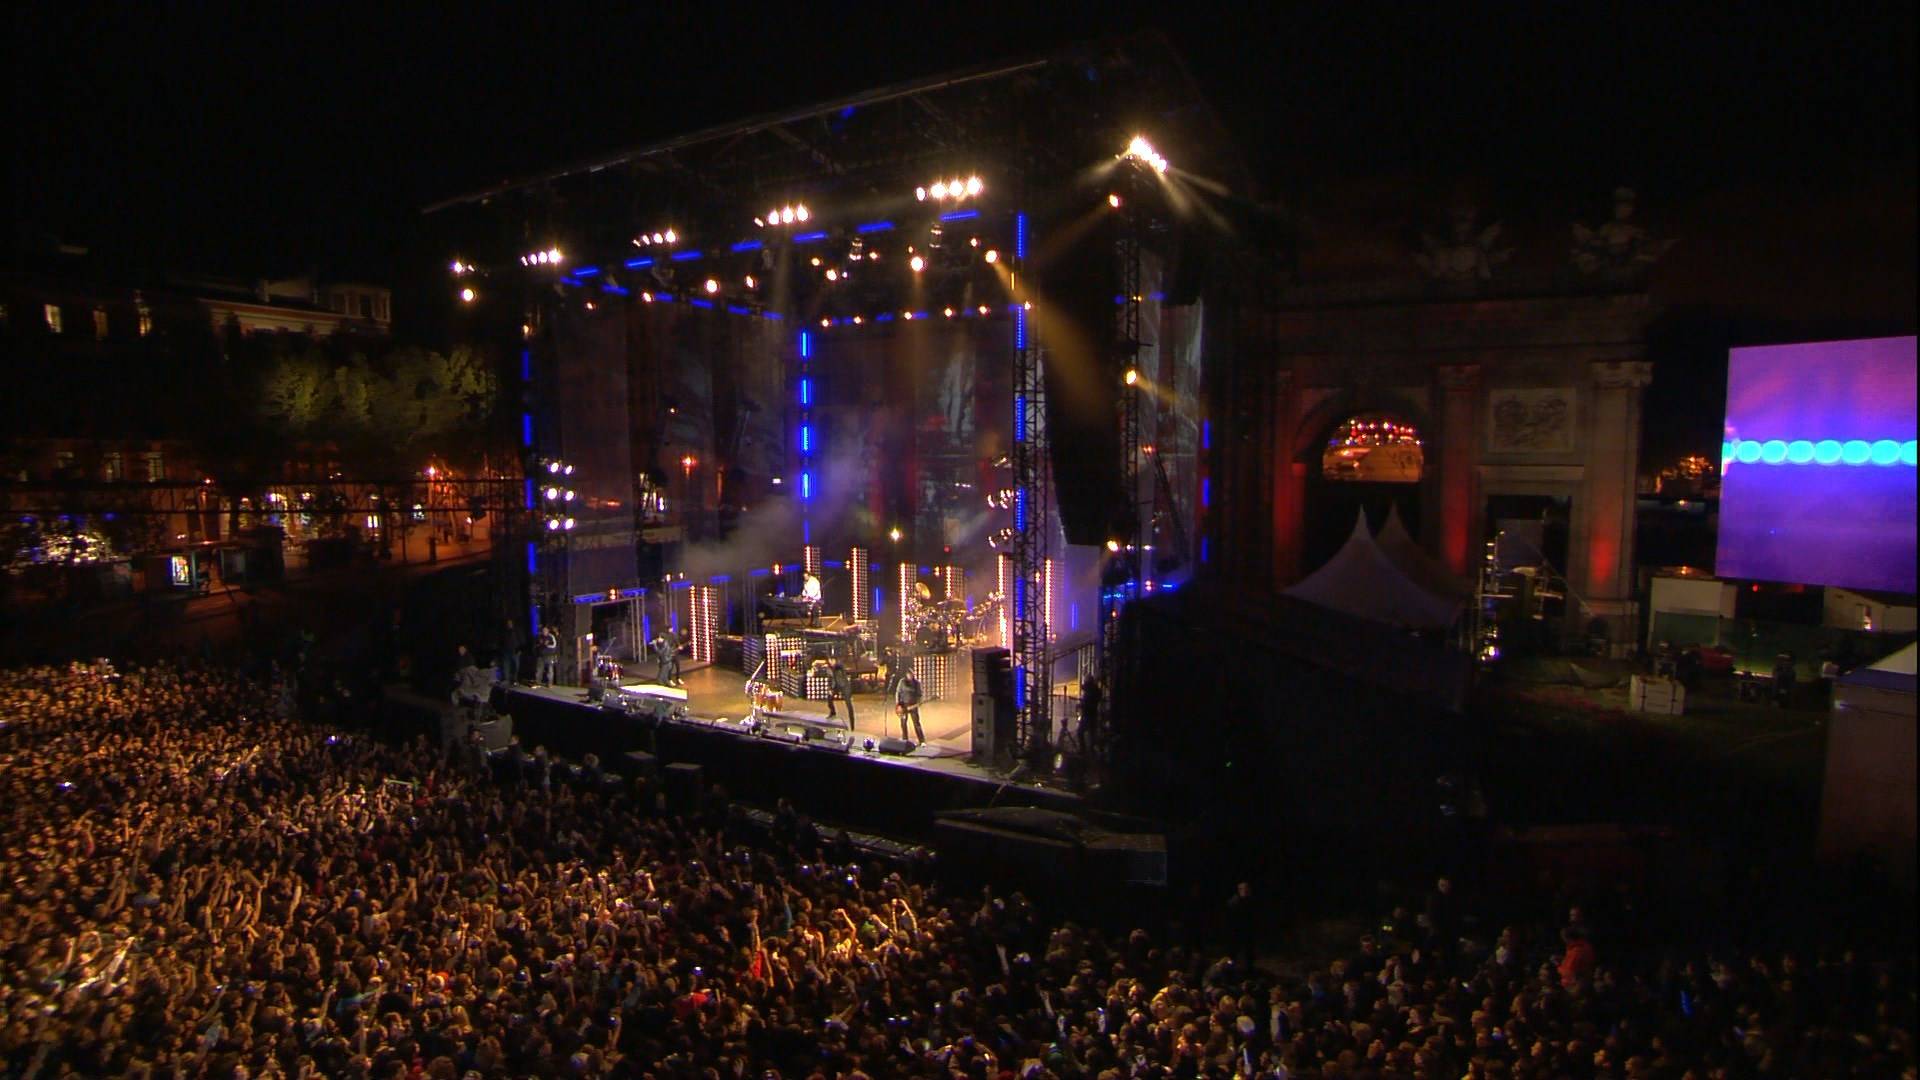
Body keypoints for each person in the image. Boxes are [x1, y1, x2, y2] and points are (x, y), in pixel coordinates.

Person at [894, 667, 925, 744]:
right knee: (903, 723)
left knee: (916, 723)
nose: (910, 676)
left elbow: (920, 694)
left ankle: (922, 741)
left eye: (911, 674)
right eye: (909, 674)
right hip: (903, 705)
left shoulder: (917, 683)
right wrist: (898, 704)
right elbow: (898, 692)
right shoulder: (902, 682)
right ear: (906, 675)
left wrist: (919, 702)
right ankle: (905, 740)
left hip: (913, 705)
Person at [825, 659, 854, 728]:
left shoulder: (839, 666)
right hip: (836, 686)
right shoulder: (829, 668)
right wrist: (830, 688)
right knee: (829, 698)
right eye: (830, 661)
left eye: (832, 661)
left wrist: (834, 666)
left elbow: (839, 666)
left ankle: (852, 722)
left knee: (848, 704)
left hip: (844, 686)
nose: (831, 662)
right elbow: (829, 679)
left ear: (835, 661)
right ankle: (833, 712)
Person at [497, 617, 523, 686]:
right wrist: (502, 650)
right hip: (506, 652)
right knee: (506, 666)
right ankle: (506, 679)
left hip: (515, 651)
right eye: (508, 623)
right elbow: (501, 642)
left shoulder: (517, 631)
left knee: (516, 666)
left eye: (510, 623)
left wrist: (520, 650)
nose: (509, 624)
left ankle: (514, 680)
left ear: (513, 624)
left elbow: (521, 641)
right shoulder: (504, 632)